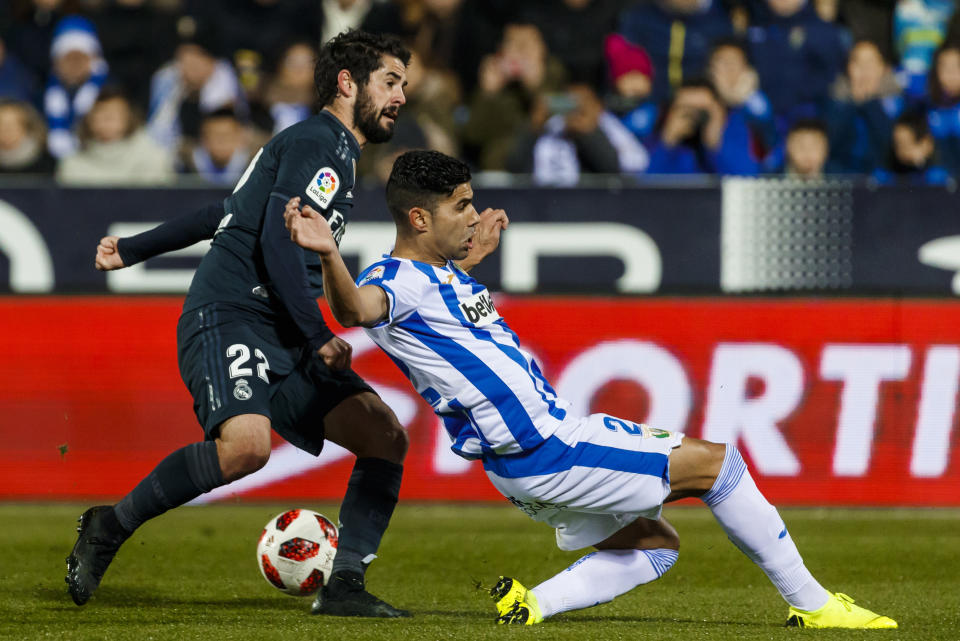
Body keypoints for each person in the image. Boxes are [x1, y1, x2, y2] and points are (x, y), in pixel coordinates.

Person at [282, 149, 898, 630]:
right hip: (546, 446)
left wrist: (471, 260)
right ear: (420, 217)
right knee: (718, 465)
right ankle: (814, 605)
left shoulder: (434, 276)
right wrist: (329, 255)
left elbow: (430, 305)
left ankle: (533, 604)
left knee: (657, 546)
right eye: (460, 205)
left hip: (518, 464)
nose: (473, 215)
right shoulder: (391, 280)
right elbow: (357, 308)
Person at [65, 30, 414, 619]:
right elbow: (277, 237)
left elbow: (227, 211)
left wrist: (133, 248)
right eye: (391, 81)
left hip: (279, 321)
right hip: (234, 313)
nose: (402, 95)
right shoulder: (318, 142)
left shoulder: (325, 150)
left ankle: (346, 586)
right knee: (245, 449)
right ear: (348, 83)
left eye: (404, 83)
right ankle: (109, 525)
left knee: (384, 435)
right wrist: (319, 334)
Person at [56, 87, 175, 185]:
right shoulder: (72, 164)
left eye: (113, 114)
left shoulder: (153, 158)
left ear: (129, 117)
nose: (107, 119)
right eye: (100, 114)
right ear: (89, 120)